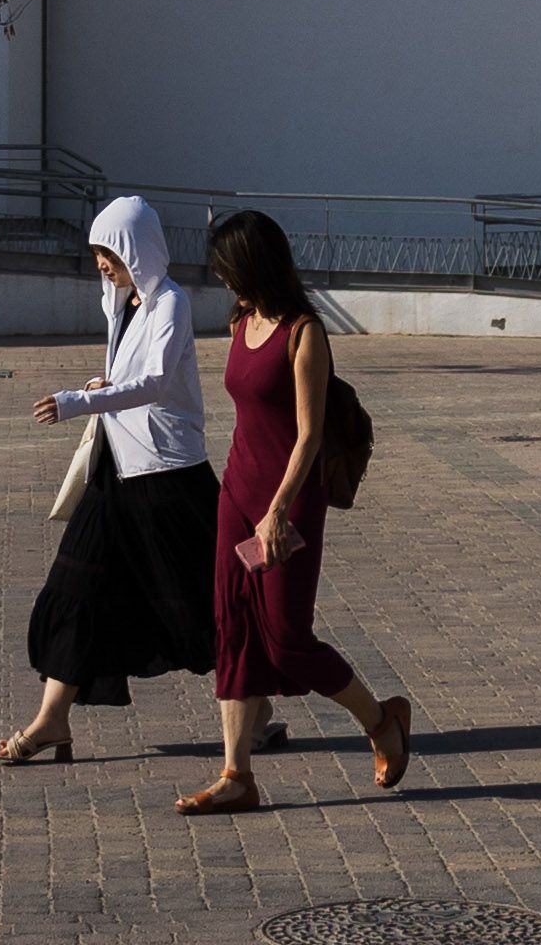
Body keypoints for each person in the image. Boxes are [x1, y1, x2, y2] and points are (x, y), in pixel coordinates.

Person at [178, 207, 412, 816]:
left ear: (253, 263)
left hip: (289, 499)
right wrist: (244, 500)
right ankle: (236, 775)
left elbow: (308, 436)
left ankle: (381, 720)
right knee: (233, 631)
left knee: (285, 641)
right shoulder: (242, 319)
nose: (220, 277)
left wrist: (278, 510)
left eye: (227, 266)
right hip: (237, 492)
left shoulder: (305, 333)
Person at [0, 196, 218, 765]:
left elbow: (157, 383)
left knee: (203, 601)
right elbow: (130, 379)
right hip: (116, 473)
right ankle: (52, 721)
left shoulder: (170, 303)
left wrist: (79, 400)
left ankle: (254, 711)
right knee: (74, 587)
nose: (101, 264)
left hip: (169, 476)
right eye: (96, 253)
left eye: (108, 252)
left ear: (136, 249)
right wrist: (104, 382)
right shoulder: (126, 304)